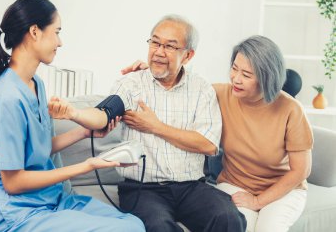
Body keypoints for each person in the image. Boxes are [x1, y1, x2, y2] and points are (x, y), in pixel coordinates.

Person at [0, 0, 145, 232]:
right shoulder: (6, 97)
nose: (60, 42)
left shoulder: (36, 84)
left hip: (48, 200)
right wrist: (88, 165)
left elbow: (37, 149)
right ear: (35, 32)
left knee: (133, 223)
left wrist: (84, 133)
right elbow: (12, 182)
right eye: (57, 32)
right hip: (15, 213)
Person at [123, 35, 313, 232]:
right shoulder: (219, 94)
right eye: (234, 68)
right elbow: (182, 86)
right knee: (236, 223)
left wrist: (258, 201)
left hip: (283, 191)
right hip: (235, 184)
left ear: (268, 77)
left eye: (246, 75)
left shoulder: (291, 109)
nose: (236, 79)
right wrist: (155, 71)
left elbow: (300, 171)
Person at [111, 15, 246, 232]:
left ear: (188, 55)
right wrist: (74, 113)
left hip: (191, 187)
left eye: (170, 46)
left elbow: (208, 144)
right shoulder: (130, 83)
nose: (159, 51)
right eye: (155, 42)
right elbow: (101, 115)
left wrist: (155, 126)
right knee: (159, 227)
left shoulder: (201, 89)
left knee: (229, 218)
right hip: (142, 189)